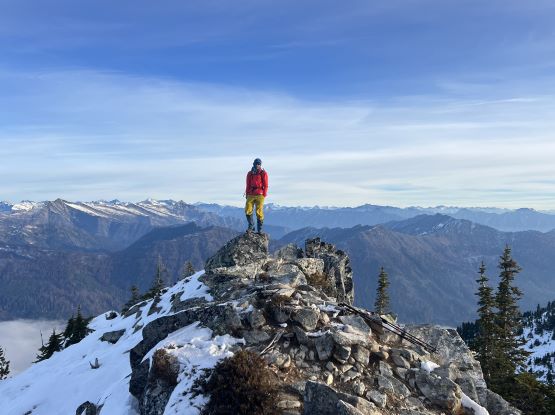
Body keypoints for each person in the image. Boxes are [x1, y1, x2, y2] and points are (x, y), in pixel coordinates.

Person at [245, 158, 268, 234]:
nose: (257, 165)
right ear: (253, 164)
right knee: (248, 209)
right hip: (251, 194)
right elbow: (248, 184)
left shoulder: (263, 173)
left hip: (260, 194)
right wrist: (247, 193)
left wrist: (264, 194)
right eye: (256, 164)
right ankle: (251, 227)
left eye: (258, 164)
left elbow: (266, 185)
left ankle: (259, 230)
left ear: (260, 165)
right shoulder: (250, 173)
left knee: (259, 212)